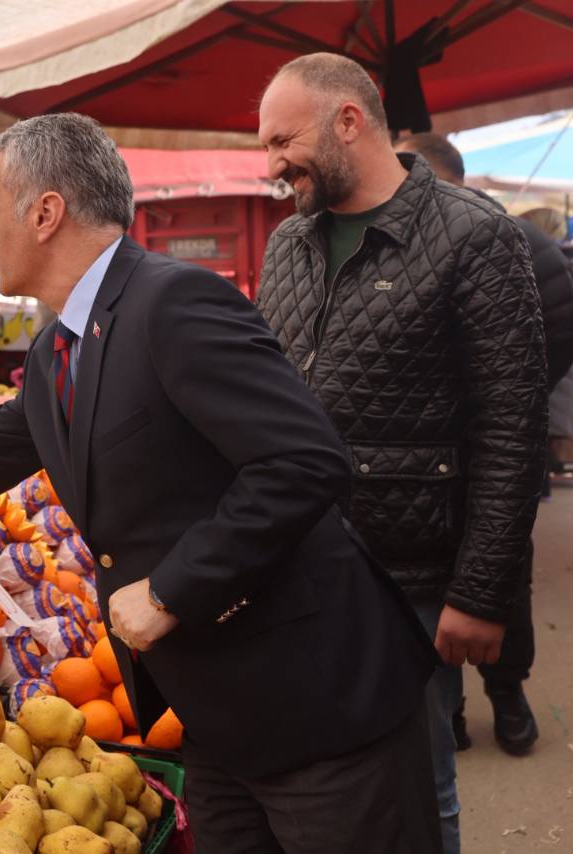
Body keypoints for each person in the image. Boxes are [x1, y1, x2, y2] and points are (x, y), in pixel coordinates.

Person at [0, 113, 441, 853]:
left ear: (46, 213)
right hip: (214, 717)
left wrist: (173, 588)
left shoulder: (173, 303)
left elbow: (306, 462)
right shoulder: (58, 350)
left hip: (315, 703)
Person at [256, 55, 548, 854]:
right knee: (325, 780)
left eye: (282, 141)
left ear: (349, 120)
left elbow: (511, 427)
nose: (271, 163)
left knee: (422, 791)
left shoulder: (475, 236)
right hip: (299, 569)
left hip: (413, 581)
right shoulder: (286, 243)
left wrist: (483, 591)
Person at [394, 131, 573, 756]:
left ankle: (507, 699)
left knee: (499, 578)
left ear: (441, 177)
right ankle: (457, 708)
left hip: (493, 455)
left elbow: (557, 331)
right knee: (433, 586)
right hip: (423, 465)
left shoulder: (520, 243)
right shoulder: (400, 247)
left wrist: (502, 406)